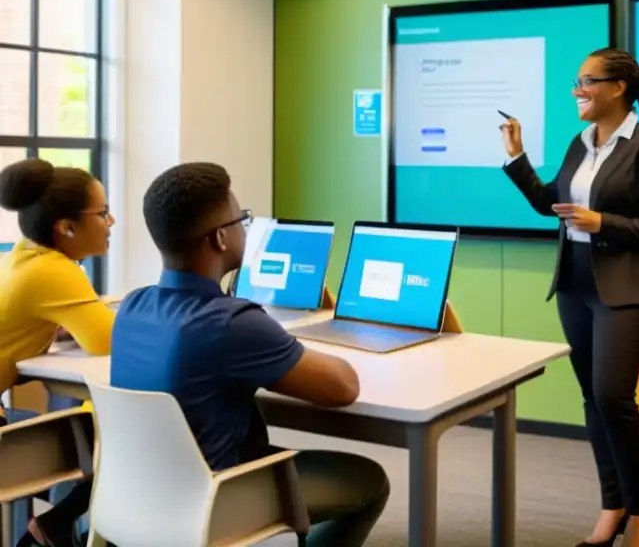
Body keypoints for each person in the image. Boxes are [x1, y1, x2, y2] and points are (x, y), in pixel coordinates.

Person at [110, 163, 389, 547]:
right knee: (368, 479)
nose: (246, 228)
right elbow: (343, 387)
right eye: (242, 219)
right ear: (221, 238)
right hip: (218, 500)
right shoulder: (231, 323)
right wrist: (292, 344)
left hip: (142, 494)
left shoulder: (131, 306)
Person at [500, 47, 639, 547]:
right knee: (592, 401)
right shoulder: (580, 143)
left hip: (627, 287)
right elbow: (547, 203)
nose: (577, 90)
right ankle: (612, 507)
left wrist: (605, 223)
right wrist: (517, 155)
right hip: (575, 284)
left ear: (619, 88)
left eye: (586, 81)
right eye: (576, 81)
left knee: (613, 396)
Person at [0, 159, 116, 547]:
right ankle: (56, 525)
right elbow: (106, 341)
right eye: (102, 213)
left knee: (96, 429)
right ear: (66, 227)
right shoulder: (54, 271)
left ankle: (55, 525)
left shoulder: (24, 255)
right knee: (117, 434)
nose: (111, 222)